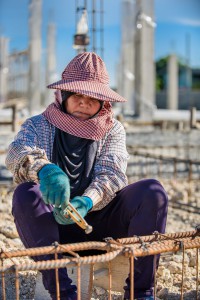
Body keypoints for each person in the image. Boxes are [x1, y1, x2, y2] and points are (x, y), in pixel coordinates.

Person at [5, 52, 168, 300]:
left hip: (100, 225)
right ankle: (63, 291)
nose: (84, 103)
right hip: (52, 229)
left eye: (93, 98)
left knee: (152, 193)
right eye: (77, 95)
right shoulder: (39, 124)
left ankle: (141, 292)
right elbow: (17, 152)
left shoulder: (112, 129)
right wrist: (43, 169)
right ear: (63, 96)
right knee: (25, 194)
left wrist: (87, 201)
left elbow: (112, 173)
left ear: (103, 102)